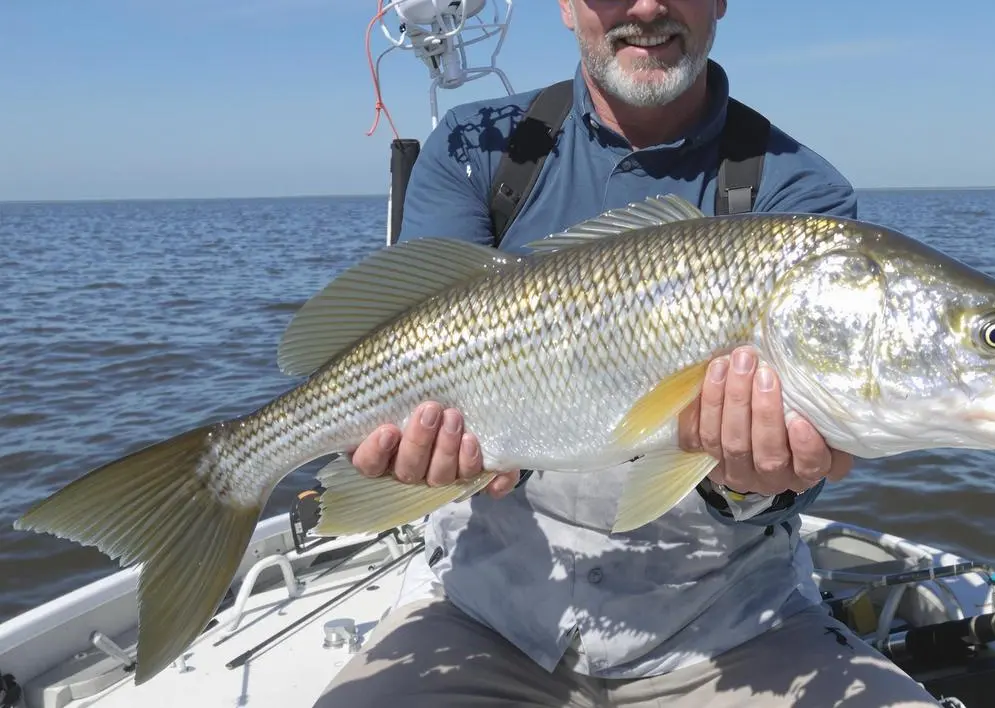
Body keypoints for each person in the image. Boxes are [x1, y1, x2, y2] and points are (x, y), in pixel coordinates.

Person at [315, 1, 942, 705]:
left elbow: (798, 464)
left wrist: (745, 482)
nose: (645, 6)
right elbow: (403, 337)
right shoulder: (477, 149)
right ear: (564, 5)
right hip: (485, 613)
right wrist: (422, 464)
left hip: (728, 631)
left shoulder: (803, 197)